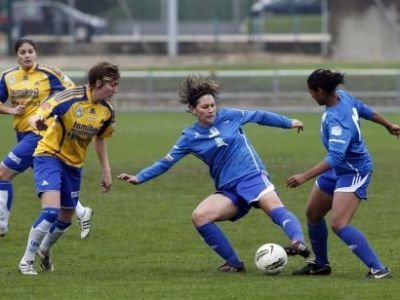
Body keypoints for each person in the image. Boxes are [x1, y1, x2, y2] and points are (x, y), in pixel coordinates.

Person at [118, 74, 310, 273]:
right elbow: (165, 162)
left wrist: (288, 122)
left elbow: (260, 116)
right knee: (200, 216)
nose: (210, 110)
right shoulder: (189, 137)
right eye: (204, 107)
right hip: (228, 188)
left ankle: (297, 241)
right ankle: (234, 263)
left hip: (251, 175)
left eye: (212, 105)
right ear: (193, 110)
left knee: (274, 208)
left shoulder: (231, 115)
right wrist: (139, 177)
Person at [286, 68, 400, 279]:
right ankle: (321, 264)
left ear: (320, 91)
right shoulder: (343, 97)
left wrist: (304, 176)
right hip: (336, 171)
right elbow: (365, 110)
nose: (311, 96)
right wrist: (388, 125)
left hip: (353, 171)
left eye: (311, 92)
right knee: (313, 214)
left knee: (339, 223)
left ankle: (378, 269)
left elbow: (335, 157)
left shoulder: (337, 120)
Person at [18, 61, 120, 275]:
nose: (116, 90)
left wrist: (106, 172)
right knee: (51, 211)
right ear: (99, 83)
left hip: (74, 166)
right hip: (49, 156)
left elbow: (100, 140)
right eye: (113, 85)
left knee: (65, 218)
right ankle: (26, 261)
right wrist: (38, 121)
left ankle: (44, 251)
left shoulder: (107, 112)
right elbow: (41, 112)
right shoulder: (71, 96)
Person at [0, 38, 94, 239]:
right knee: (51, 182)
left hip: (40, 134)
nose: (27, 55)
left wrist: (52, 106)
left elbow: (73, 92)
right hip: (22, 134)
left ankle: (1, 224)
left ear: (36, 53)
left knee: (2, 174)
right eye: (23, 52)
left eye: (30, 51)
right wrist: (10, 109)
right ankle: (81, 210)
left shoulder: (49, 73)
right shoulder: (8, 76)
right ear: (16, 54)